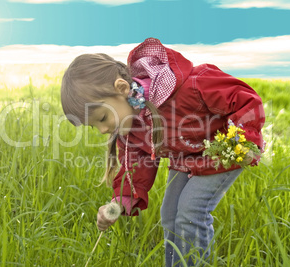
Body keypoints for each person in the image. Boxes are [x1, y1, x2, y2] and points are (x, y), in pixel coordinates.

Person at [60, 38, 265, 266]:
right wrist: (118, 203)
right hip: (185, 159)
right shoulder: (131, 126)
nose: (102, 130)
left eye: (102, 118)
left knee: (191, 210)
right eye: (94, 126)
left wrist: (244, 140)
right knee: (169, 214)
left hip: (223, 152)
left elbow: (245, 99)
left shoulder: (192, 87)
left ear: (122, 89)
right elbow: (134, 166)